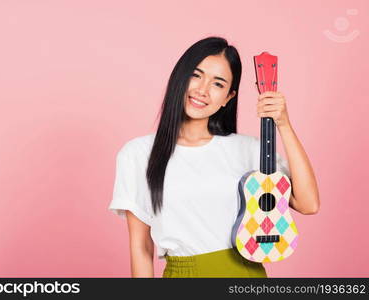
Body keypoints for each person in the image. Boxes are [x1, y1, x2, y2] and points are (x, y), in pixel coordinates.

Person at [108, 36, 320, 278]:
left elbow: (308, 203)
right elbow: (141, 247)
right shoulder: (137, 154)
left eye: (218, 84)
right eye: (196, 75)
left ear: (229, 97)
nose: (202, 90)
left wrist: (283, 124)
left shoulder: (249, 149)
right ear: (179, 78)